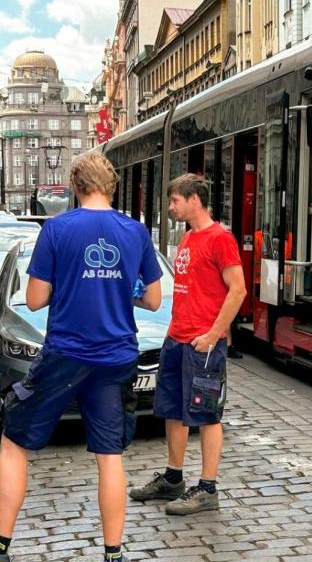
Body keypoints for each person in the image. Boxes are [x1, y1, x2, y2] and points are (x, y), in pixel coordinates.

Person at [0, 151, 163, 562]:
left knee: (14, 439)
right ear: (111, 186)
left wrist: (71, 283)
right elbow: (152, 298)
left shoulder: (57, 230)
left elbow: (34, 298)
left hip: (67, 353)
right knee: (110, 454)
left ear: (75, 187)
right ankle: (113, 554)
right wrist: (119, 289)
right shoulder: (135, 232)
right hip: (117, 354)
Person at [128, 173, 246, 516]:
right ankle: (173, 478)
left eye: (175, 200)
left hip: (203, 345)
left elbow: (237, 289)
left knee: (207, 415)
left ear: (194, 199)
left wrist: (213, 334)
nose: (171, 207)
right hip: (177, 338)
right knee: (172, 410)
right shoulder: (190, 237)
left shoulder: (220, 238)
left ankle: (208, 488)